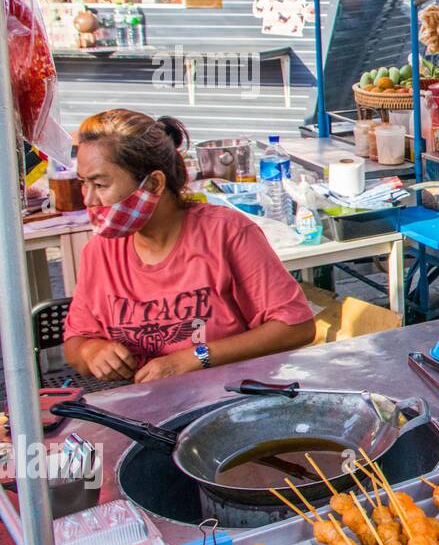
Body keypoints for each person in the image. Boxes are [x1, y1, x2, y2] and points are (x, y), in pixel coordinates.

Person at [64, 110, 316, 383]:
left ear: (154, 183)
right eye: (83, 183)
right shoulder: (100, 251)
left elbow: (296, 327)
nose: (89, 199)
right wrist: (92, 351)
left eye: (100, 184)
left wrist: (196, 358)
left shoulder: (226, 232)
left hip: (229, 399)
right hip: (141, 408)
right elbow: (76, 342)